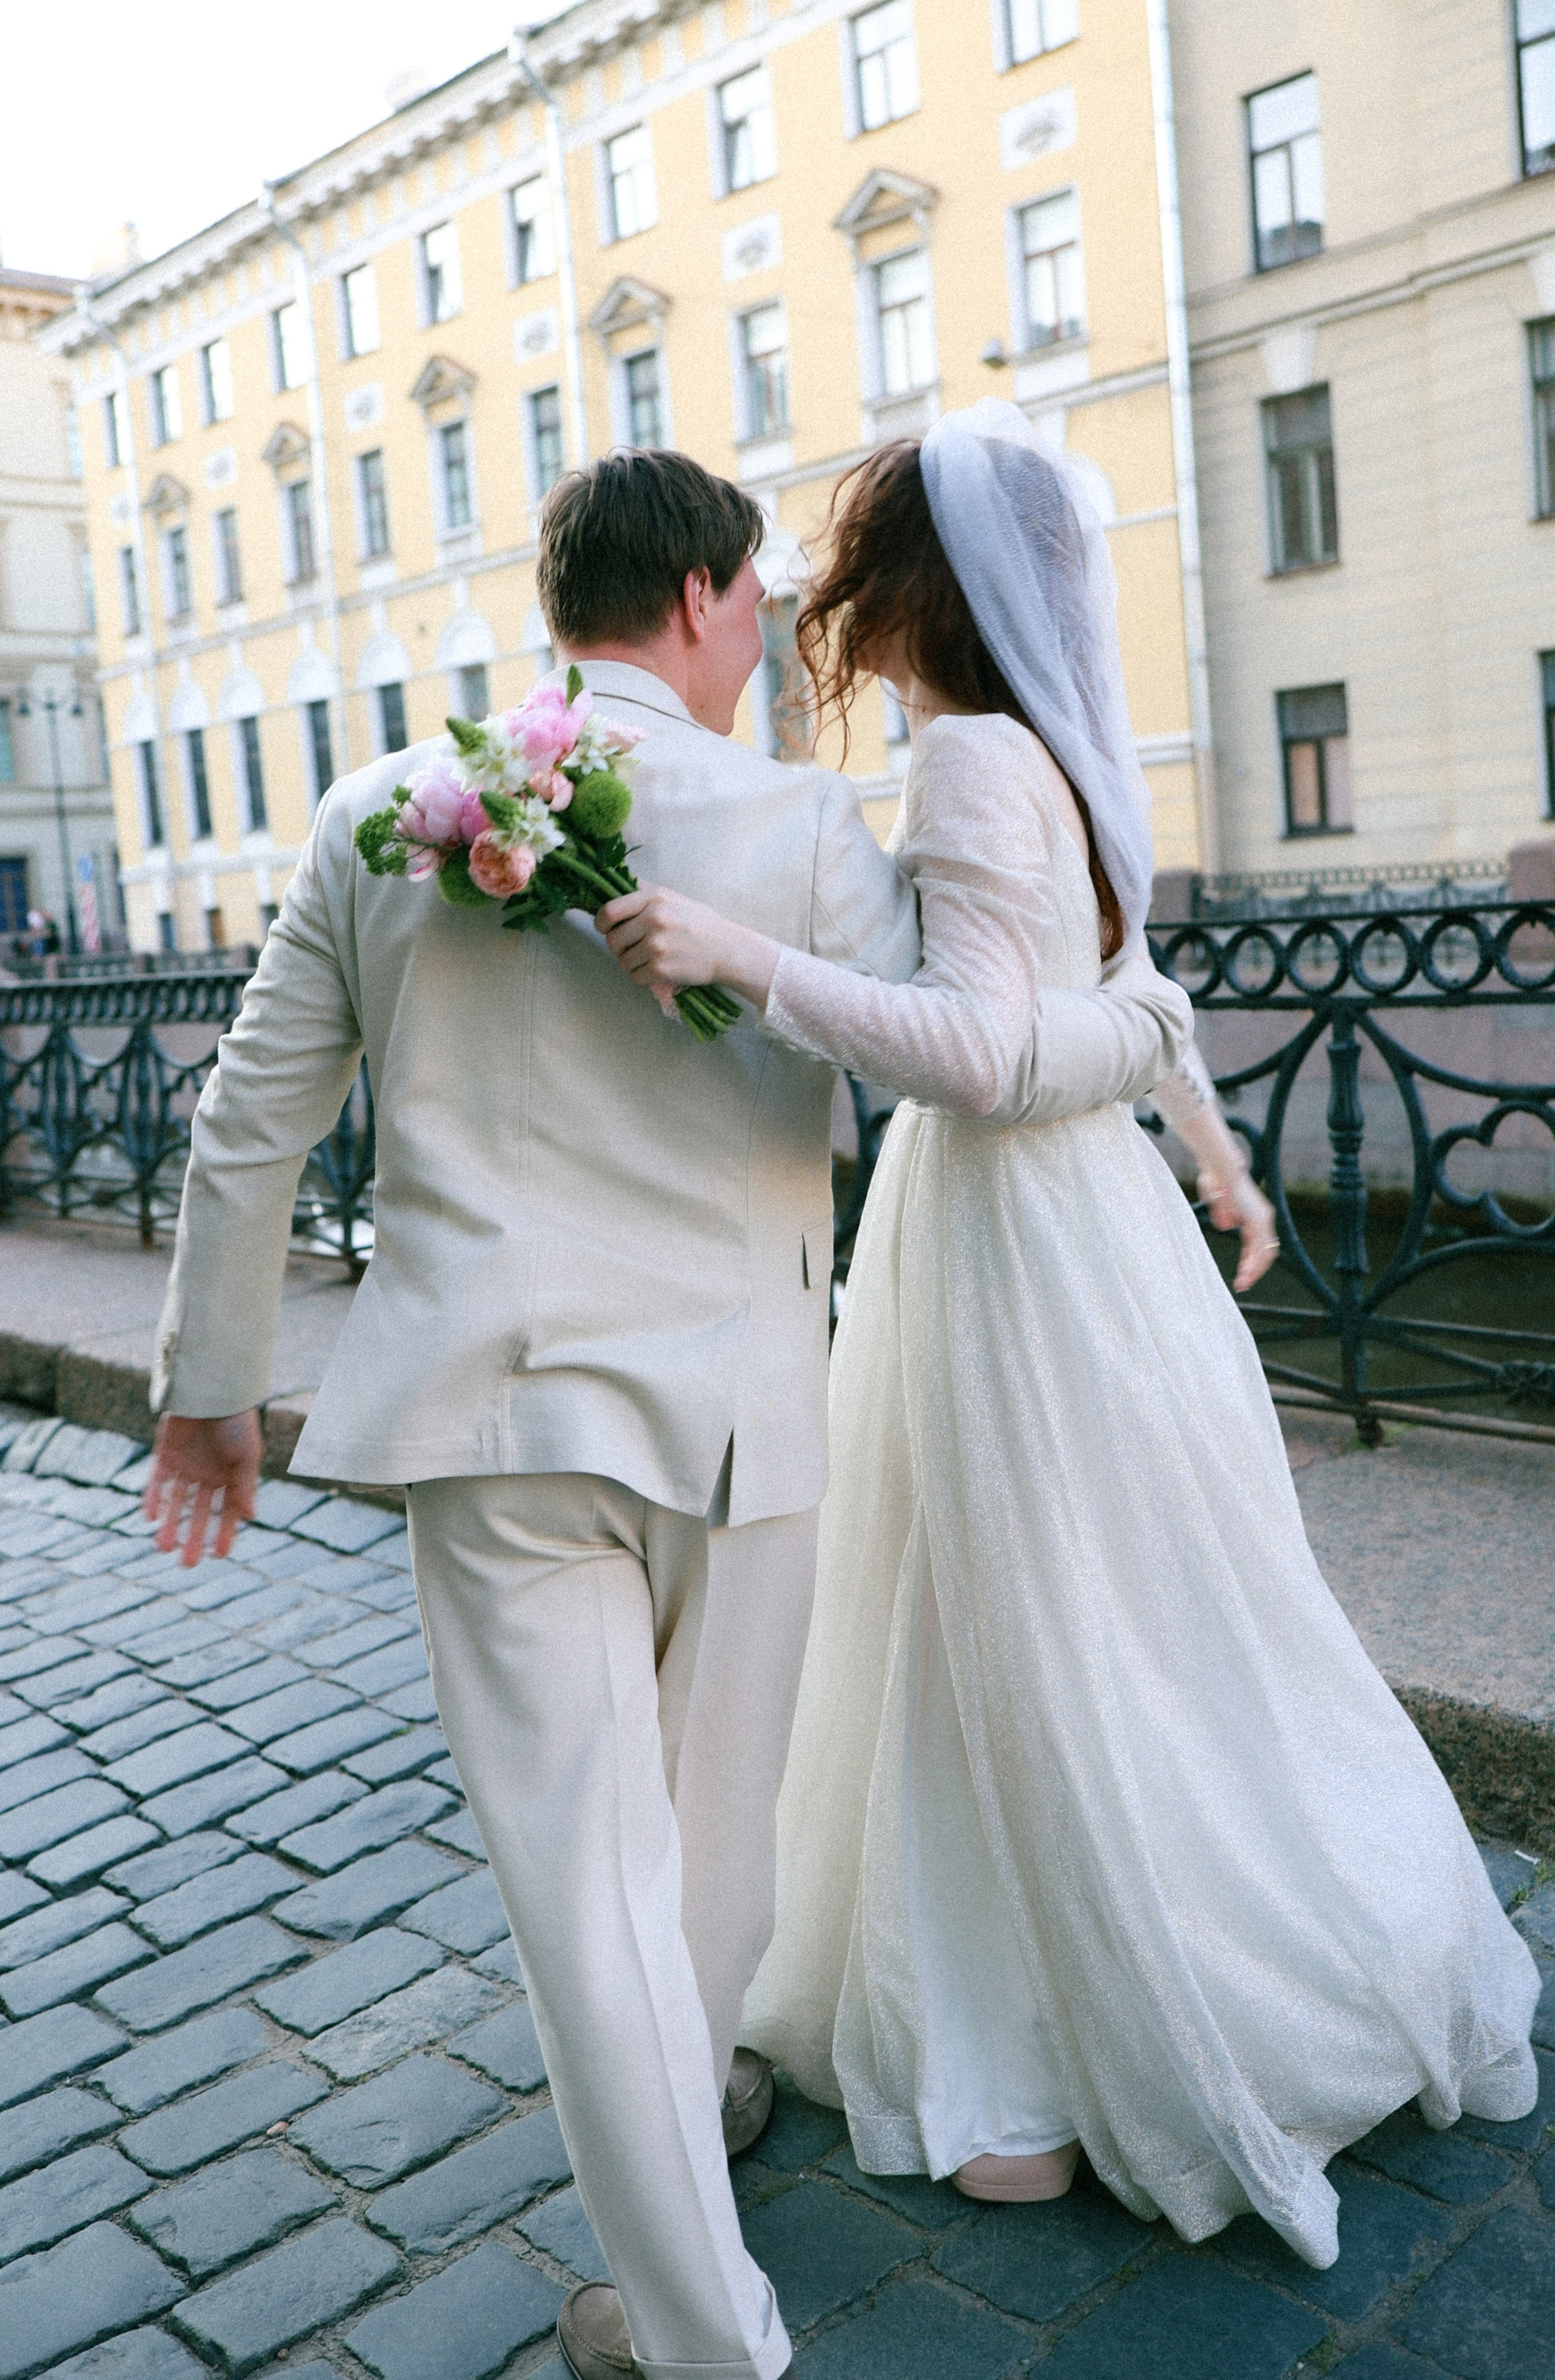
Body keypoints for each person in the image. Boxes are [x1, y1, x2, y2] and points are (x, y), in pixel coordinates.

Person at [137, 446, 1193, 2380]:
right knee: (710, 1854)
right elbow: (981, 1056)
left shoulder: (384, 813)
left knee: (585, 1879)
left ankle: (694, 2301)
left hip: (493, 1425)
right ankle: (697, 2287)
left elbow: (248, 1124)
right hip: (739, 1419)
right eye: (757, 610)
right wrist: (1149, 1028)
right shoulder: (799, 829)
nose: (766, 648)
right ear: (702, 595)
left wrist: (212, 1399)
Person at [598, 404, 1539, 2271]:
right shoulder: (1071, 754)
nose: (836, 608)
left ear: (921, 593)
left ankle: (1012, 2059)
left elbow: (989, 1054)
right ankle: (1067, 2014)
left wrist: (744, 961)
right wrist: (1219, 1168)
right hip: (1108, 1238)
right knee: (1139, 1610)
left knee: (994, 1619)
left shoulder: (964, 764)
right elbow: (1143, 1000)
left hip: (1008, 1241)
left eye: (862, 577)